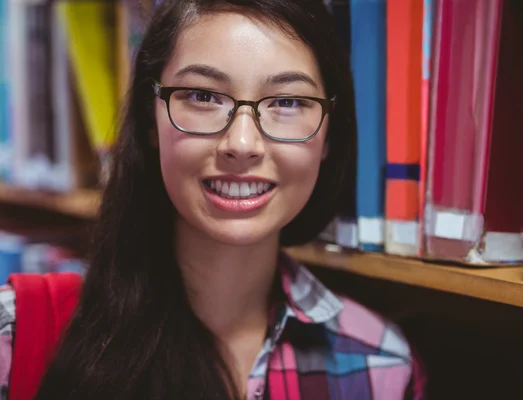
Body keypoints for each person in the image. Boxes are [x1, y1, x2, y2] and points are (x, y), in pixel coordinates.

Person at [0, 0, 426, 399]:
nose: (242, 144)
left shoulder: (380, 365)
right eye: (203, 96)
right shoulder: (15, 337)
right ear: (152, 118)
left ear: (329, 133)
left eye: (288, 101)